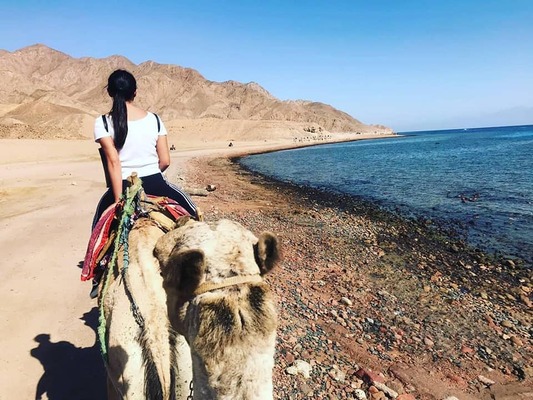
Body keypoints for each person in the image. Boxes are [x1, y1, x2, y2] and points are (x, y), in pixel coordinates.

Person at [91, 69, 198, 228]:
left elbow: (114, 162)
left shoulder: (102, 122)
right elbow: (165, 161)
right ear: (135, 92)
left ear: (109, 92)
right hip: (155, 182)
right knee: (193, 214)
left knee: (97, 229)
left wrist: (118, 201)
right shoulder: (154, 119)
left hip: (123, 187)